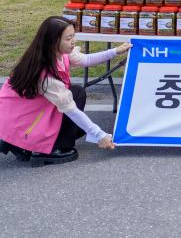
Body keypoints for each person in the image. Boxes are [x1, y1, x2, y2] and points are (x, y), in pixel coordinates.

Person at [0, 17, 130, 166]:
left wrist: (115, 51)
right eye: (68, 38)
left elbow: (85, 59)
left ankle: (18, 142)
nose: (73, 41)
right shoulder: (46, 76)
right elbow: (71, 110)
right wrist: (100, 135)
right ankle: (48, 149)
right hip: (20, 119)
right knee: (74, 98)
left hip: (22, 115)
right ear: (53, 42)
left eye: (73, 36)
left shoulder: (55, 53)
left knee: (76, 92)